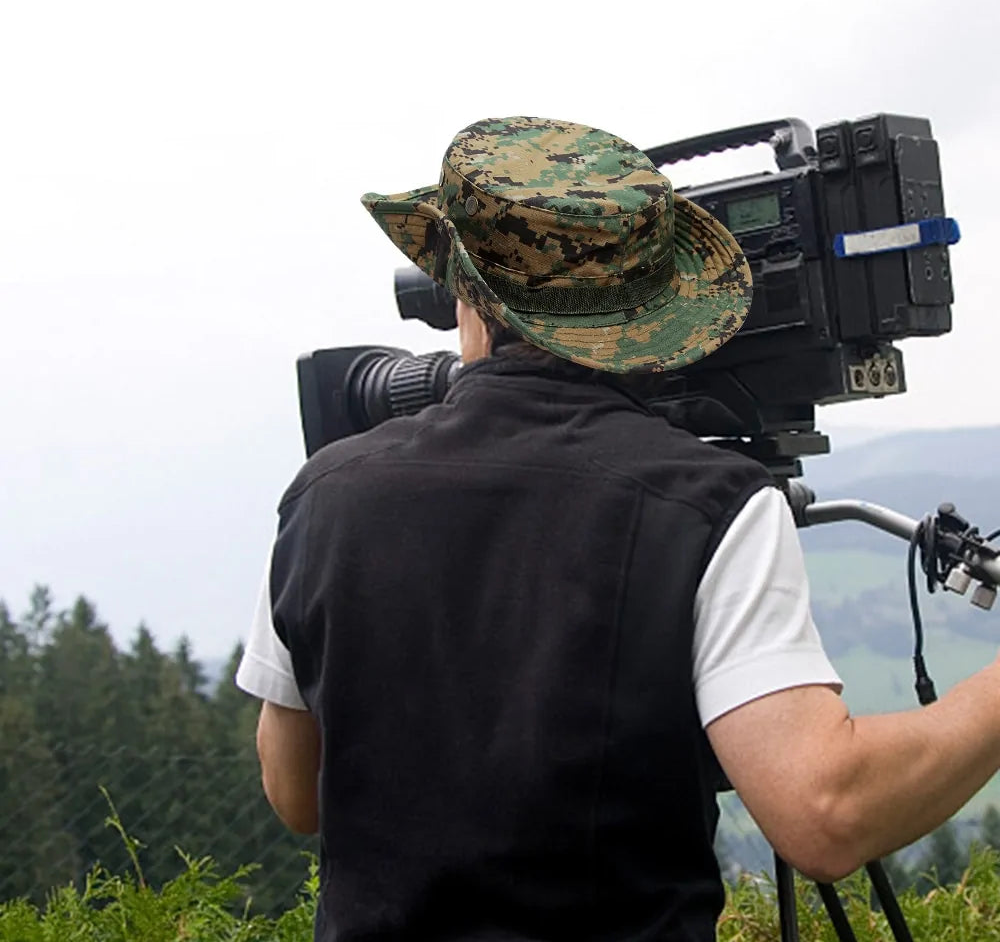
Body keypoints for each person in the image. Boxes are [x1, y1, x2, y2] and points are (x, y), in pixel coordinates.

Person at [235, 117, 1000, 940]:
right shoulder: (709, 508)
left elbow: (296, 791)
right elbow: (827, 810)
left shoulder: (324, 494)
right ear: (655, 311)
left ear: (470, 301)